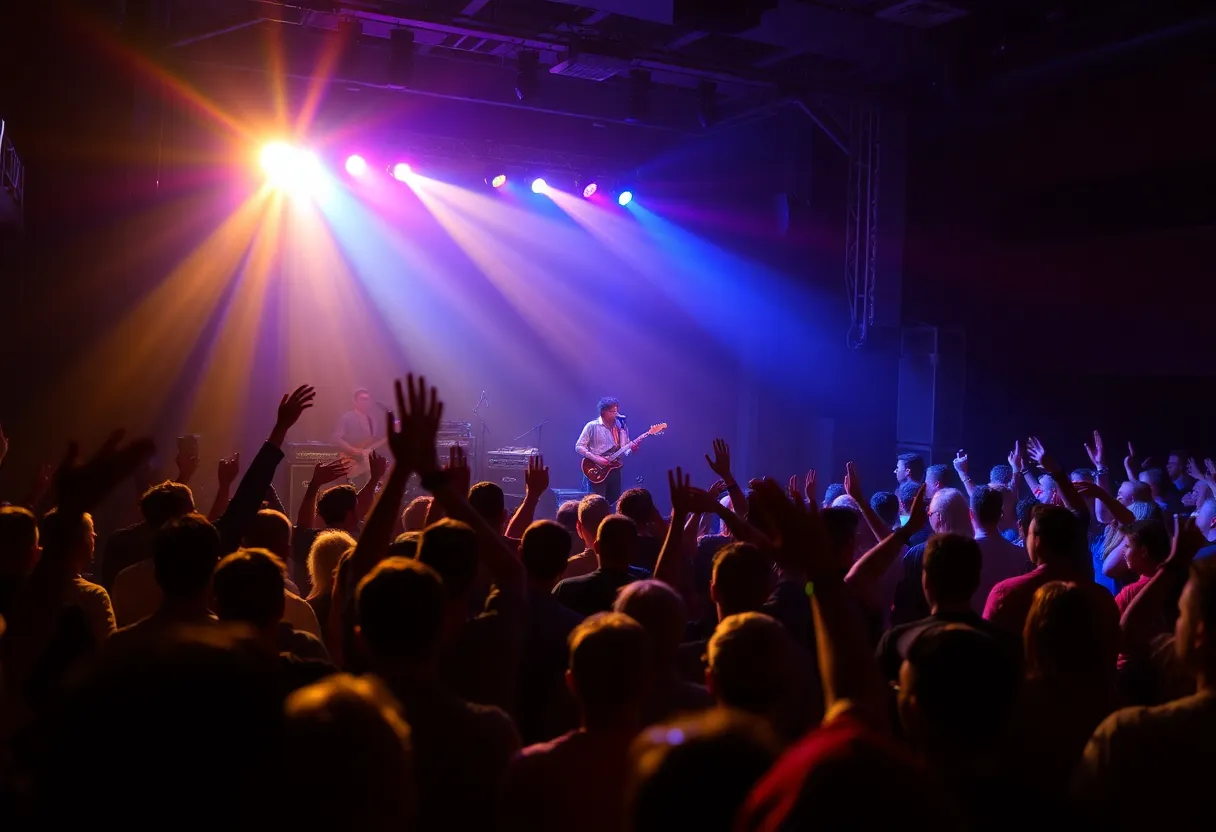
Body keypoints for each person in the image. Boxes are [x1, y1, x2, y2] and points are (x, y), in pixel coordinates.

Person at [575, 397, 641, 505]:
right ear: (602, 412)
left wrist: (632, 449)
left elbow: (624, 449)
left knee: (614, 502)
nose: (616, 414)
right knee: (597, 503)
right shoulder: (592, 426)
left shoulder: (621, 426)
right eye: (612, 411)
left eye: (616, 411)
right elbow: (579, 446)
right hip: (596, 469)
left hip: (615, 469)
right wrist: (597, 458)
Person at [332, 388, 385, 488]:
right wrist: (353, 449)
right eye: (363, 399)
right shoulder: (347, 417)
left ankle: (374, 490)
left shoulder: (372, 420)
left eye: (368, 399)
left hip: (365, 457)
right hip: (350, 457)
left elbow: (372, 442)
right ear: (355, 401)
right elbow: (336, 437)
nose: (367, 402)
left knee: (373, 459)